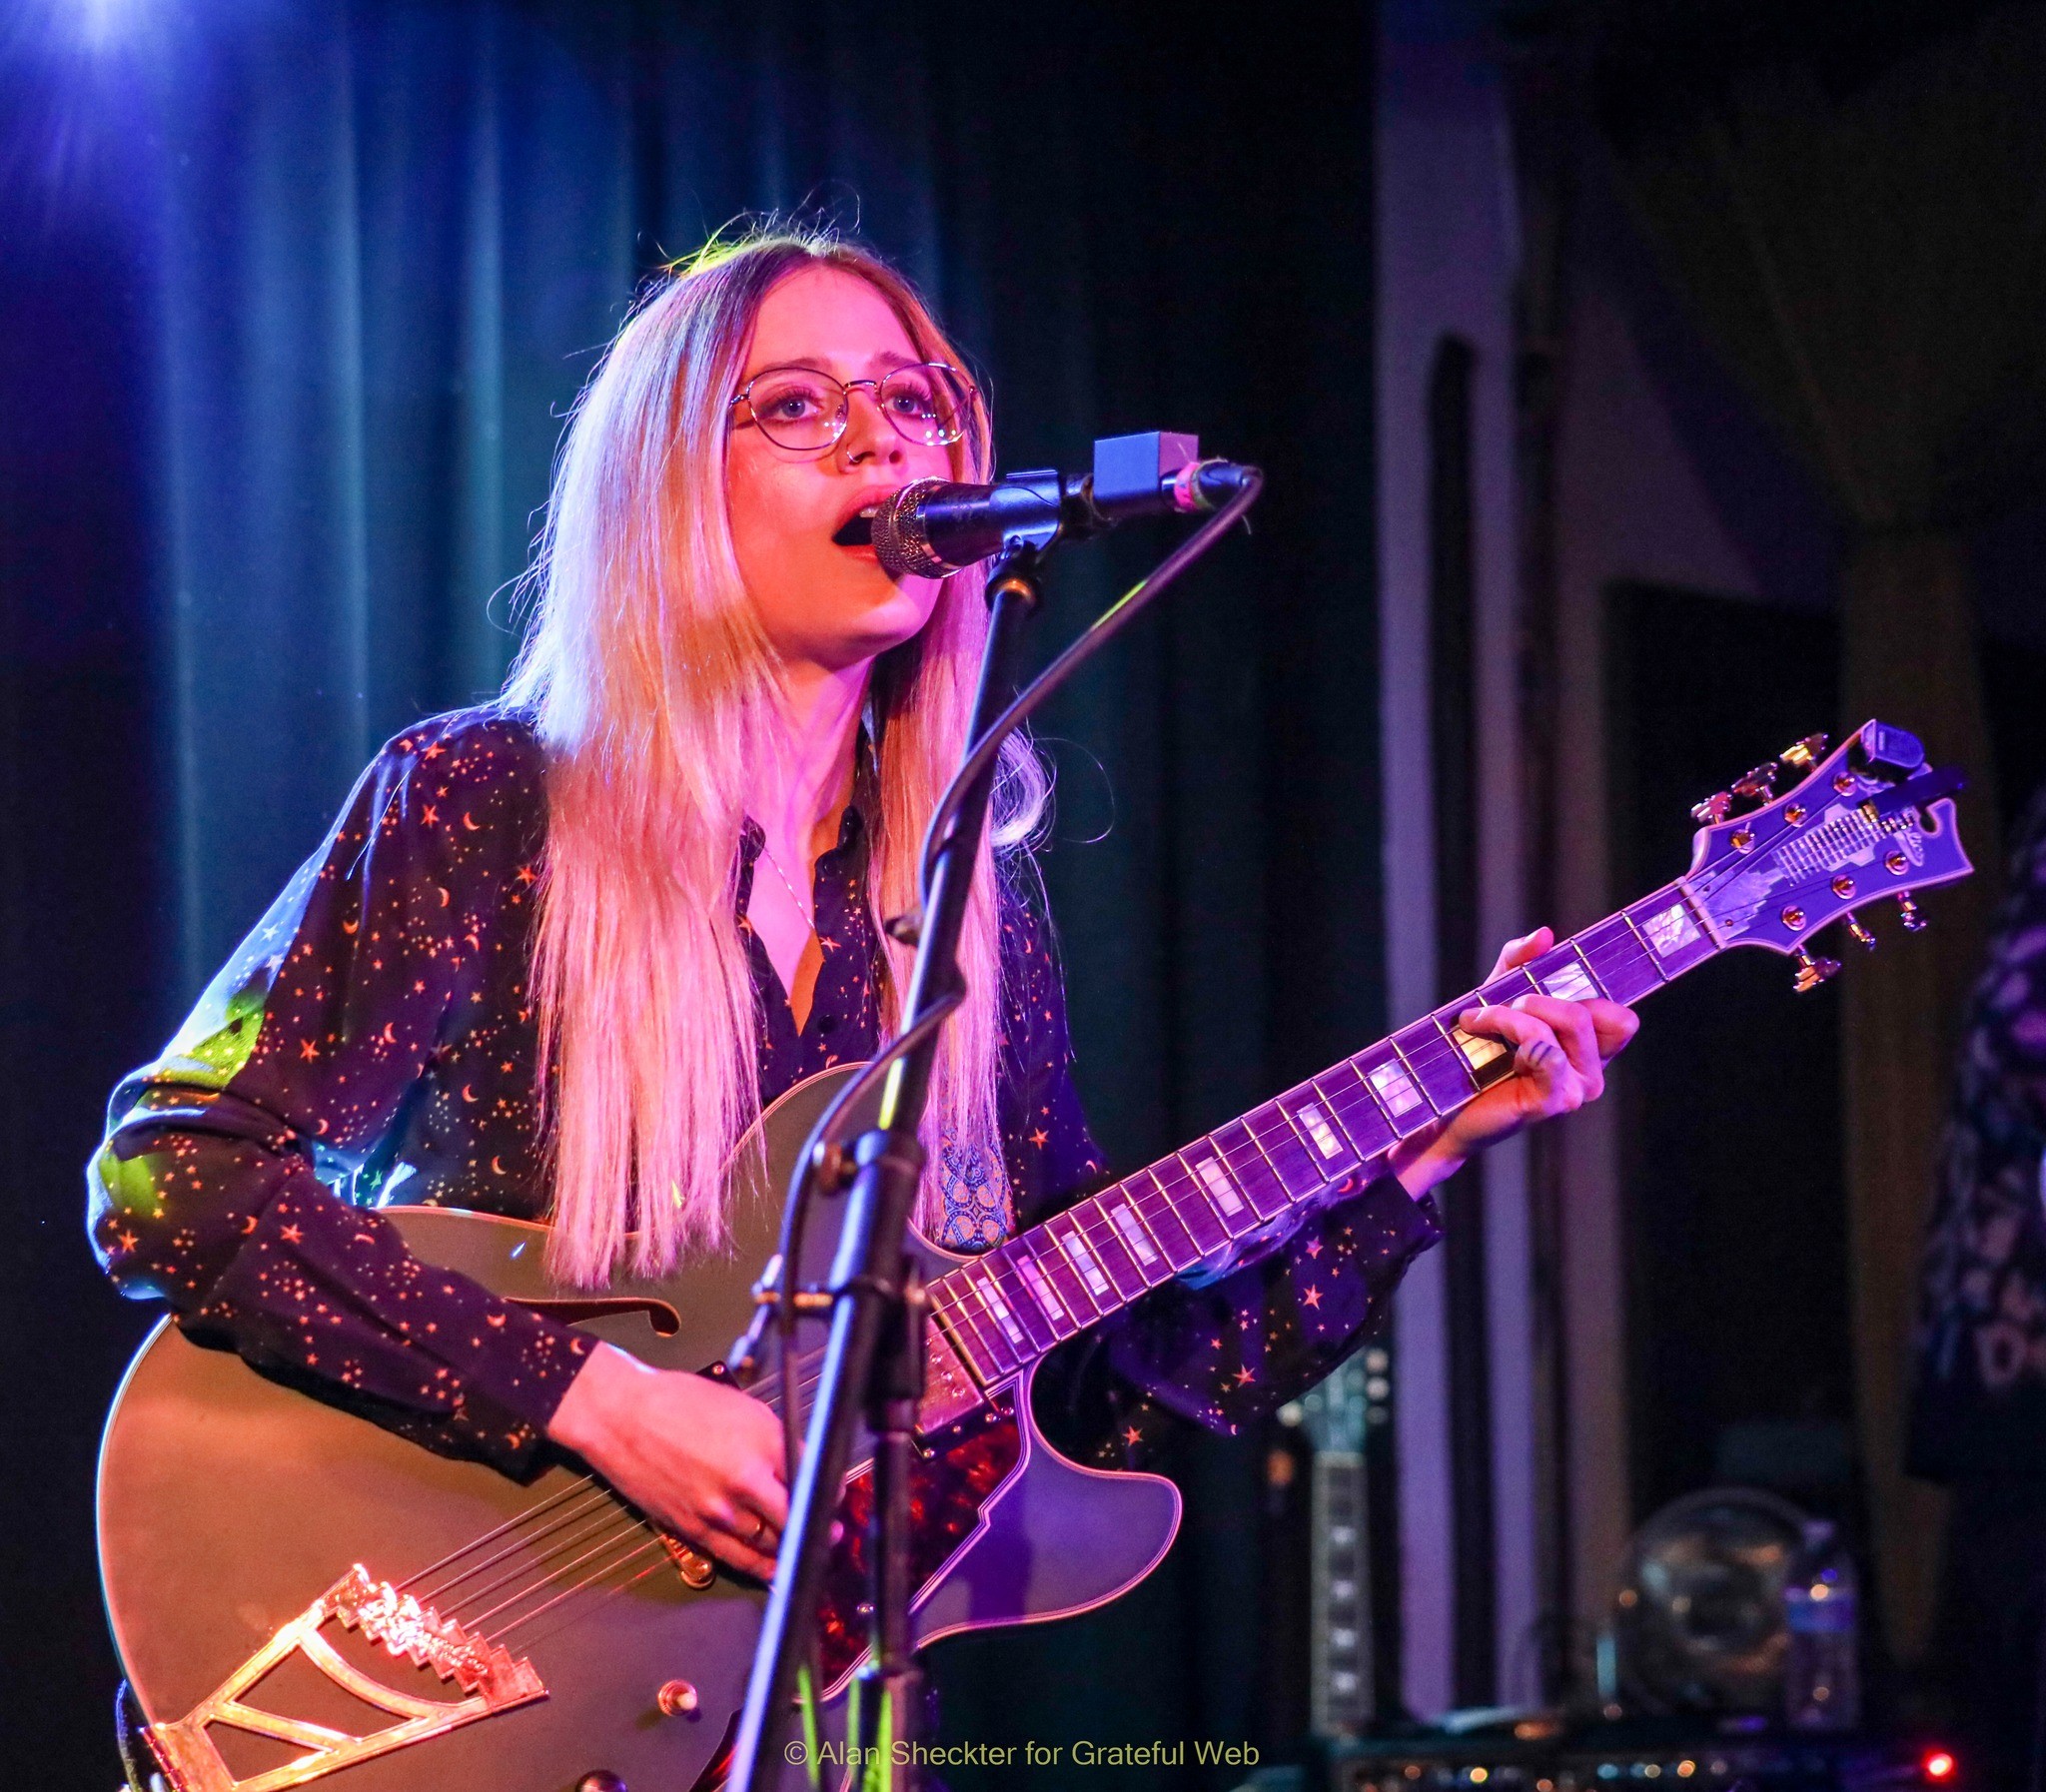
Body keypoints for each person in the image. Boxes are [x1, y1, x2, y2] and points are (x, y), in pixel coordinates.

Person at [88, 228, 1635, 1595]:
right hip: (457, 1628)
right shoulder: (486, 801)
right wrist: (598, 1400)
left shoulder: (962, 906)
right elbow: (172, 1183)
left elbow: (1094, 1383)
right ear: (666, 482)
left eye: (910, 401)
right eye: (796, 406)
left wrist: (1420, 1145)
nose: (881, 443)